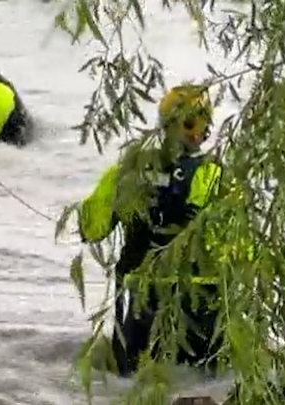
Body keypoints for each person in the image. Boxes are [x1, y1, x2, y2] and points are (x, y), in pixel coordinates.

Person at [77, 84, 223, 377]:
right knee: (204, 385)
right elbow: (239, 249)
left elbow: (92, 228)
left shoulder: (129, 170)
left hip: (144, 305)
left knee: (135, 384)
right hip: (202, 306)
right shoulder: (215, 174)